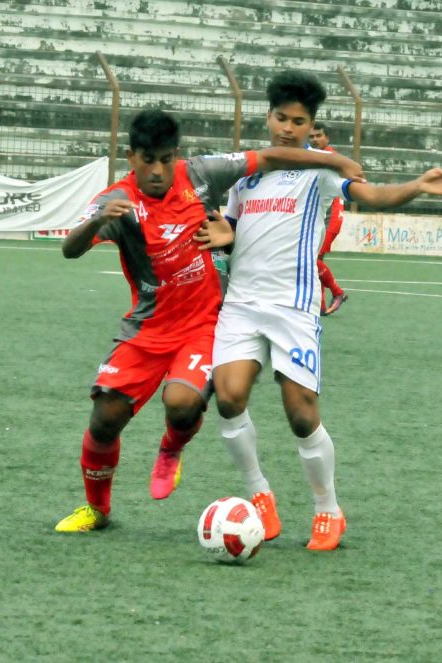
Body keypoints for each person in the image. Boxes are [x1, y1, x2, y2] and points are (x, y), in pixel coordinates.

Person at [54, 108, 366, 533]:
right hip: (146, 328)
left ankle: (171, 449)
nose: (159, 170)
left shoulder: (200, 174)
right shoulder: (116, 201)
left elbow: (269, 158)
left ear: (176, 155)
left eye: (166, 159)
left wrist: (333, 160)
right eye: (148, 160)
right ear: (131, 157)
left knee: (181, 405)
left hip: (203, 324)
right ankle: (96, 509)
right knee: (105, 417)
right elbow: (70, 250)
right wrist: (95, 222)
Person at [198, 70, 442, 550]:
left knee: (300, 412)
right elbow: (229, 228)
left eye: (299, 121)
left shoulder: (320, 169)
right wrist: (223, 234)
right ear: (268, 117)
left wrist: (417, 186)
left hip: (294, 307)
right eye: (281, 118)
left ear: (311, 125)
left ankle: (327, 509)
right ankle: (259, 497)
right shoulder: (245, 174)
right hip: (241, 303)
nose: (288, 128)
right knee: (229, 397)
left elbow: (372, 195)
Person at [308, 122, 348, 315]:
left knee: (313, 259)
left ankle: (338, 292)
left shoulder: (329, 158)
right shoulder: (316, 157)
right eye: (311, 137)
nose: (315, 140)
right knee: (316, 259)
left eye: (319, 136)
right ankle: (321, 306)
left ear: (327, 138)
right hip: (323, 217)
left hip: (329, 218)